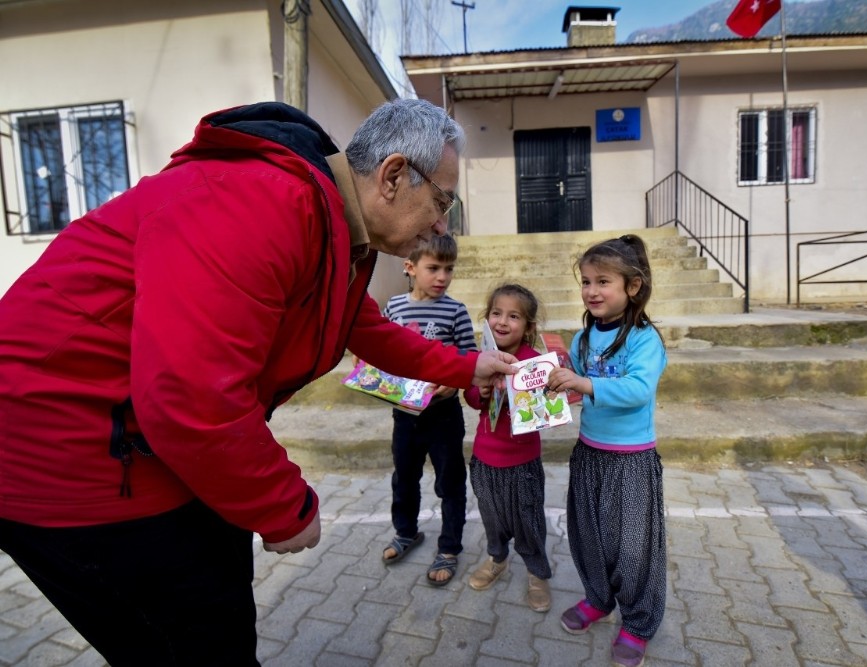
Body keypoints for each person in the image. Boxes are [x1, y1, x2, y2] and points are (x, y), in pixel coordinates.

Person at [0, 99, 516, 665]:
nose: (442, 224)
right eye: (442, 202)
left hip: (149, 450)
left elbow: (358, 324)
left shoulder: (332, 222)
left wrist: (466, 367)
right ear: (393, 176)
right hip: (75, 458)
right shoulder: (261, 202)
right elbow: (190, 397)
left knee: (220, 623)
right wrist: (282, 503)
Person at [546, 235, 668, 667]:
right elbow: (575, 390)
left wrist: (582, 383)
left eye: (603, 281)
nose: (592, 291)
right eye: (586, 281)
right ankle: (599, 599)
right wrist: (552, 376)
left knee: (633, 548)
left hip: (632, 459)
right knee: (589, 537)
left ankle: (638, 623)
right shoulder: (581, 338)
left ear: (631, 287)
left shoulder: (643, 339)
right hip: (590, 454)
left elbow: (637, 391)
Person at [380, 233, 475, 586]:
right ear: (410, 267)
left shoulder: (456, 311)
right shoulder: (394, 307)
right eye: (433, 268)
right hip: (405, 414)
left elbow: (469, 358)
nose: (442, 277)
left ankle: (449, 547)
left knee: (450, 483)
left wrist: (455, 381)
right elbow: (385, 353)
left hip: (444, 416)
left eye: (449, 269)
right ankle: (406, 532)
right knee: (404, 477)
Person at [463, 284, 552, 612]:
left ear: (528, 326)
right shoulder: (482, 358)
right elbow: (471, 398)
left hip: (522, 462)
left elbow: (541, 413)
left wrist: (523, 401)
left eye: (513, 316)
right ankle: (497, 558)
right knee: (492, 517)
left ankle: (537, 573)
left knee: (528, 520)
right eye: (496, 313)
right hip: (484, 460)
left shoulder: (533, 364)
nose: (502, 321)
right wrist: (483, 391)